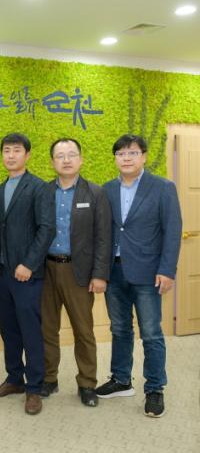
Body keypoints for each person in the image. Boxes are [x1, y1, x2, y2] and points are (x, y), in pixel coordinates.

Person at [95, 134, 182, 418]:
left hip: (148, 272)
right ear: (115, 159)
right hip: (114, 271)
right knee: (119, 329)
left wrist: (167, 270)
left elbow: (172, 231)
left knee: (151, 333)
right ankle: (121, 379)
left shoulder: (163, 187)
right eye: (121, 154)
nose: (126, 158)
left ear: (143, 156)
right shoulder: (107, 189)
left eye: (132, 153)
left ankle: (155, 389)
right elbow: (104, 232)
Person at [0, 132, 55, 415]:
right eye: (6, 150)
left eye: (16, 150)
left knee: (30, 331)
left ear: (27, 155)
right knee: (9, 329)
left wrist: (29, 264)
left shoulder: (39, 188)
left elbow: (46, 229)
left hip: (27, 275)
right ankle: (14, 379)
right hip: (2, 274)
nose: (10, 155)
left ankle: (34, 387)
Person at [39, 138, 111, 407]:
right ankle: (49, 378)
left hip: (78, 271)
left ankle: (87, 383)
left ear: (80, 159)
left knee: (83, 330)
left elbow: (104, 236)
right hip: (45, 270)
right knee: (47, 328)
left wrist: (100, 274)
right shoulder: (43, 192)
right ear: (52, 162)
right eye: (60, 156)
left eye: (71, 154)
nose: (66, 160)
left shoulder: (95, 193)